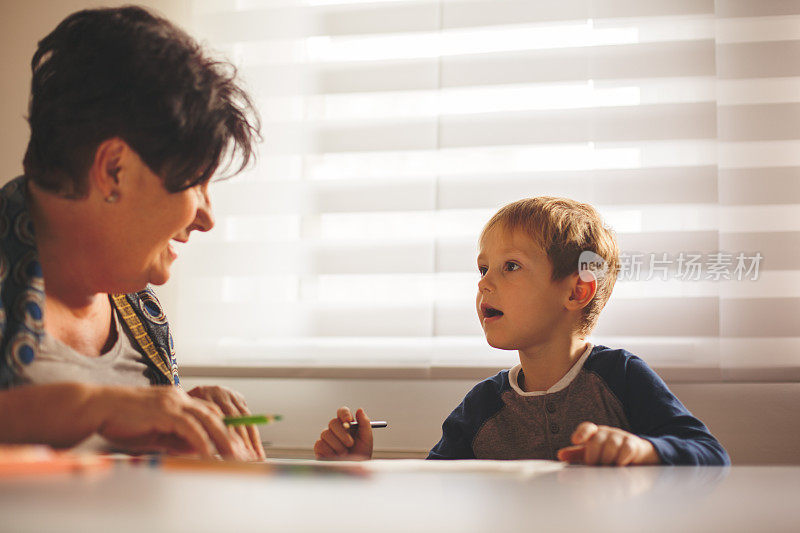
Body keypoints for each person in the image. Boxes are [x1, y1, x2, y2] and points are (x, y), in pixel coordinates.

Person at [0, 6, 264, 460]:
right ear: (114, 170)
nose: (207, 218)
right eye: (195, 181)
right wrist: (89, 406)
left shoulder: (139, 314)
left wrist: (185, 414)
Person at [314, 197, 730, 466]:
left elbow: (712, 456)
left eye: (509, 266)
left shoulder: (621, 377)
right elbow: (436, 494)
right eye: (483, 269)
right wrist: (357, 467)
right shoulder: (481, 407)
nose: (484, 283)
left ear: (576, 291)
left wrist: (646, 450)